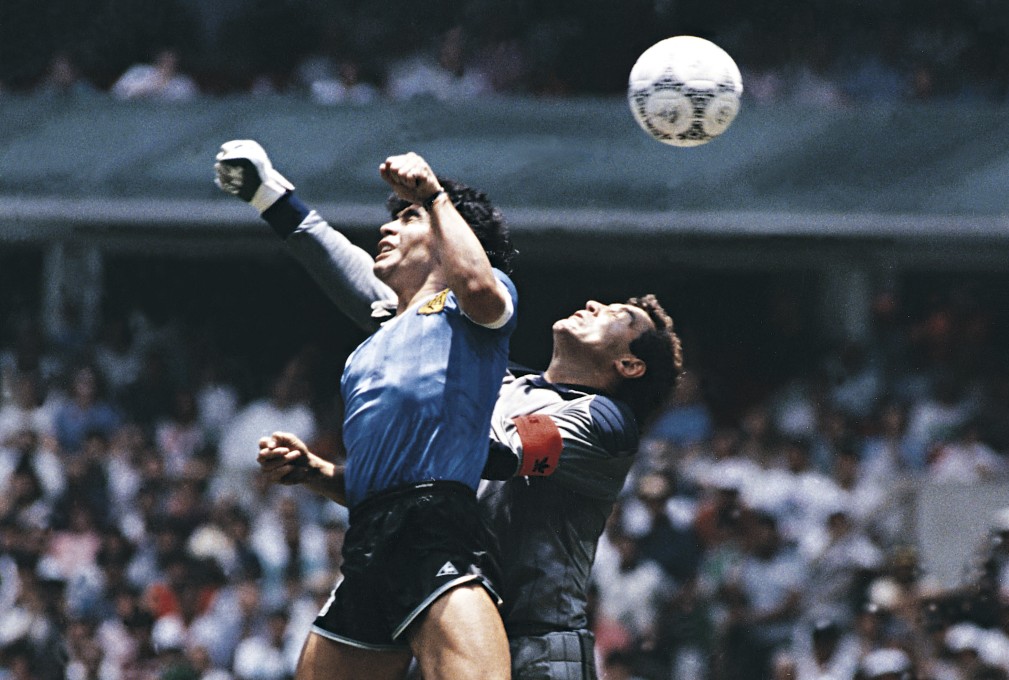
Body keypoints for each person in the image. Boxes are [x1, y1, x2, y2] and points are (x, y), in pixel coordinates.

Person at [244, 165, 683, 678]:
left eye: (617, 316)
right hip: (447, 607)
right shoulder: (500, 385)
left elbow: (491, 456)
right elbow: (422, 472)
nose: (593, 304)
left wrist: (423, 347)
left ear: (629, 365)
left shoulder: (605, 423)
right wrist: (323, 475)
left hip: (538, 645)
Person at [214, 140, 518, 680]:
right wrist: (316, 473)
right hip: (368, 540)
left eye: (407, 218)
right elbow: (328, 254)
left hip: (436, 532)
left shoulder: (473, 311)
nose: (387, 227)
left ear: (450, 239)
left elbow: (476, 282)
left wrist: (435, 195)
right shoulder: (374, 342)